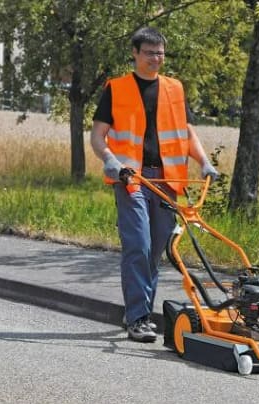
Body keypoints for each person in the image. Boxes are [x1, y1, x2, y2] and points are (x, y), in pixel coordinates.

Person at [90, 27, 218, 342]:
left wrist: (204, 162)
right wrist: (110, 161)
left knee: (156, 249)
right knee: (139, 246)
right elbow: (97, 135)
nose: (155, 58)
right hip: (132, 179)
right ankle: (138, 318)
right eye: (149, 52)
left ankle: (140, 314)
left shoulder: (175, 89)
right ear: (135, 54)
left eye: (160, 52)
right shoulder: (116, 89)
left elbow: (186, 133)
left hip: (168, 180)